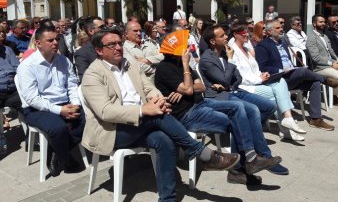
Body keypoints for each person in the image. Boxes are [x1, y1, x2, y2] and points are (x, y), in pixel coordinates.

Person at [81, 27, 240, 201]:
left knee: (165, 141)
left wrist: (159, 100)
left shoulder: (129, 63)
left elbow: (148, 87)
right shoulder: (92, 75)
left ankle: (167, 199)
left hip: (140, 126)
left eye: (119, 43)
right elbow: (105, 111)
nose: (118, 47)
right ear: (99, 50)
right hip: (112, 131)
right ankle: (201, 153)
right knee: (156, 116)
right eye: (112, 45)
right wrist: (144, 110)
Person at [155, 33, 283, 184]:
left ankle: (247, 161)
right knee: (237, 121)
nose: (187, 49)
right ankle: (244, 165)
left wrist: (183, 88)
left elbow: (200, 86)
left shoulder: (185, 65)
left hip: (200, 104)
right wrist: (185, 69)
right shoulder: (165, 68)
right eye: (183, 47)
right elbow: (189, 90)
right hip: (187, 115)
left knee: (239, 108)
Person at [199, 25, 288, 175]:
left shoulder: (225, 53)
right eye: (222, 36)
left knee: (269, 106)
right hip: (219, 97)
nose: (226, 37)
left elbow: (237, 77)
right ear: (213, 41)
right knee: (251, 111)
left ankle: (245, 148)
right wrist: (230, 68)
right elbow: (226, 78)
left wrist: (227, 84)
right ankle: (263, 155)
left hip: (232, 91)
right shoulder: (207, 59)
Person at [17, 26, 85, 177]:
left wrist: (75, 105)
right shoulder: (27, 66)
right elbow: (32, 98)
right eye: (50, 40)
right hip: (37, 108)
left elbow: (72, 85)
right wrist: (60, 111)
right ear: (38, 43)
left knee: (89, 119)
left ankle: (55, 148)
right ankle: (66, 160)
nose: (55, 43)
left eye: (57, 39)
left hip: (65, 103)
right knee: (58, 128)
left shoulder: (63, 61)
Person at [255, 20, 338, 131]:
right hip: (278, 79)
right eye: (277, 28)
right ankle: (325, 80)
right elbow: (262, 67)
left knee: (315, 83)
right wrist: (282, 70)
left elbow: (288, 62)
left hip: (291, 77)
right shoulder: (263, 46)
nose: (281, 29)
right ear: (269, 32)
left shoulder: (283, 43)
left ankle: (316, 119)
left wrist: (293, 67)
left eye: (281, 27)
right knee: (302, 72)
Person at [228, 23, 307, 141]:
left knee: (281, 82)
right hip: (245, 87)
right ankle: (287, 129)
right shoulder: (233, 51)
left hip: (257, 81)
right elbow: (238, 76)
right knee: (279, 95)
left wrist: (261, 74)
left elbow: (255, 68)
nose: (246, 34)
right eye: (243, 33)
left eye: (247, 32)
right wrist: (259, 78)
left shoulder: (246, 49)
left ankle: (288, 119)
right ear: (235, 34)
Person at [0, 25, 21, 130]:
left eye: (3, 31)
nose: (2, 34)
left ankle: (32, 134)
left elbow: (18, 68)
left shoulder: (7, 50)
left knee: (28, 105)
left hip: (12, 91)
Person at [74, 17, 104, 81]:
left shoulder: (112, 47)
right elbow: (85, 79)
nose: (105, 29)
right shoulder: (82, 53)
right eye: (102, 27)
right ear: (91, 31)